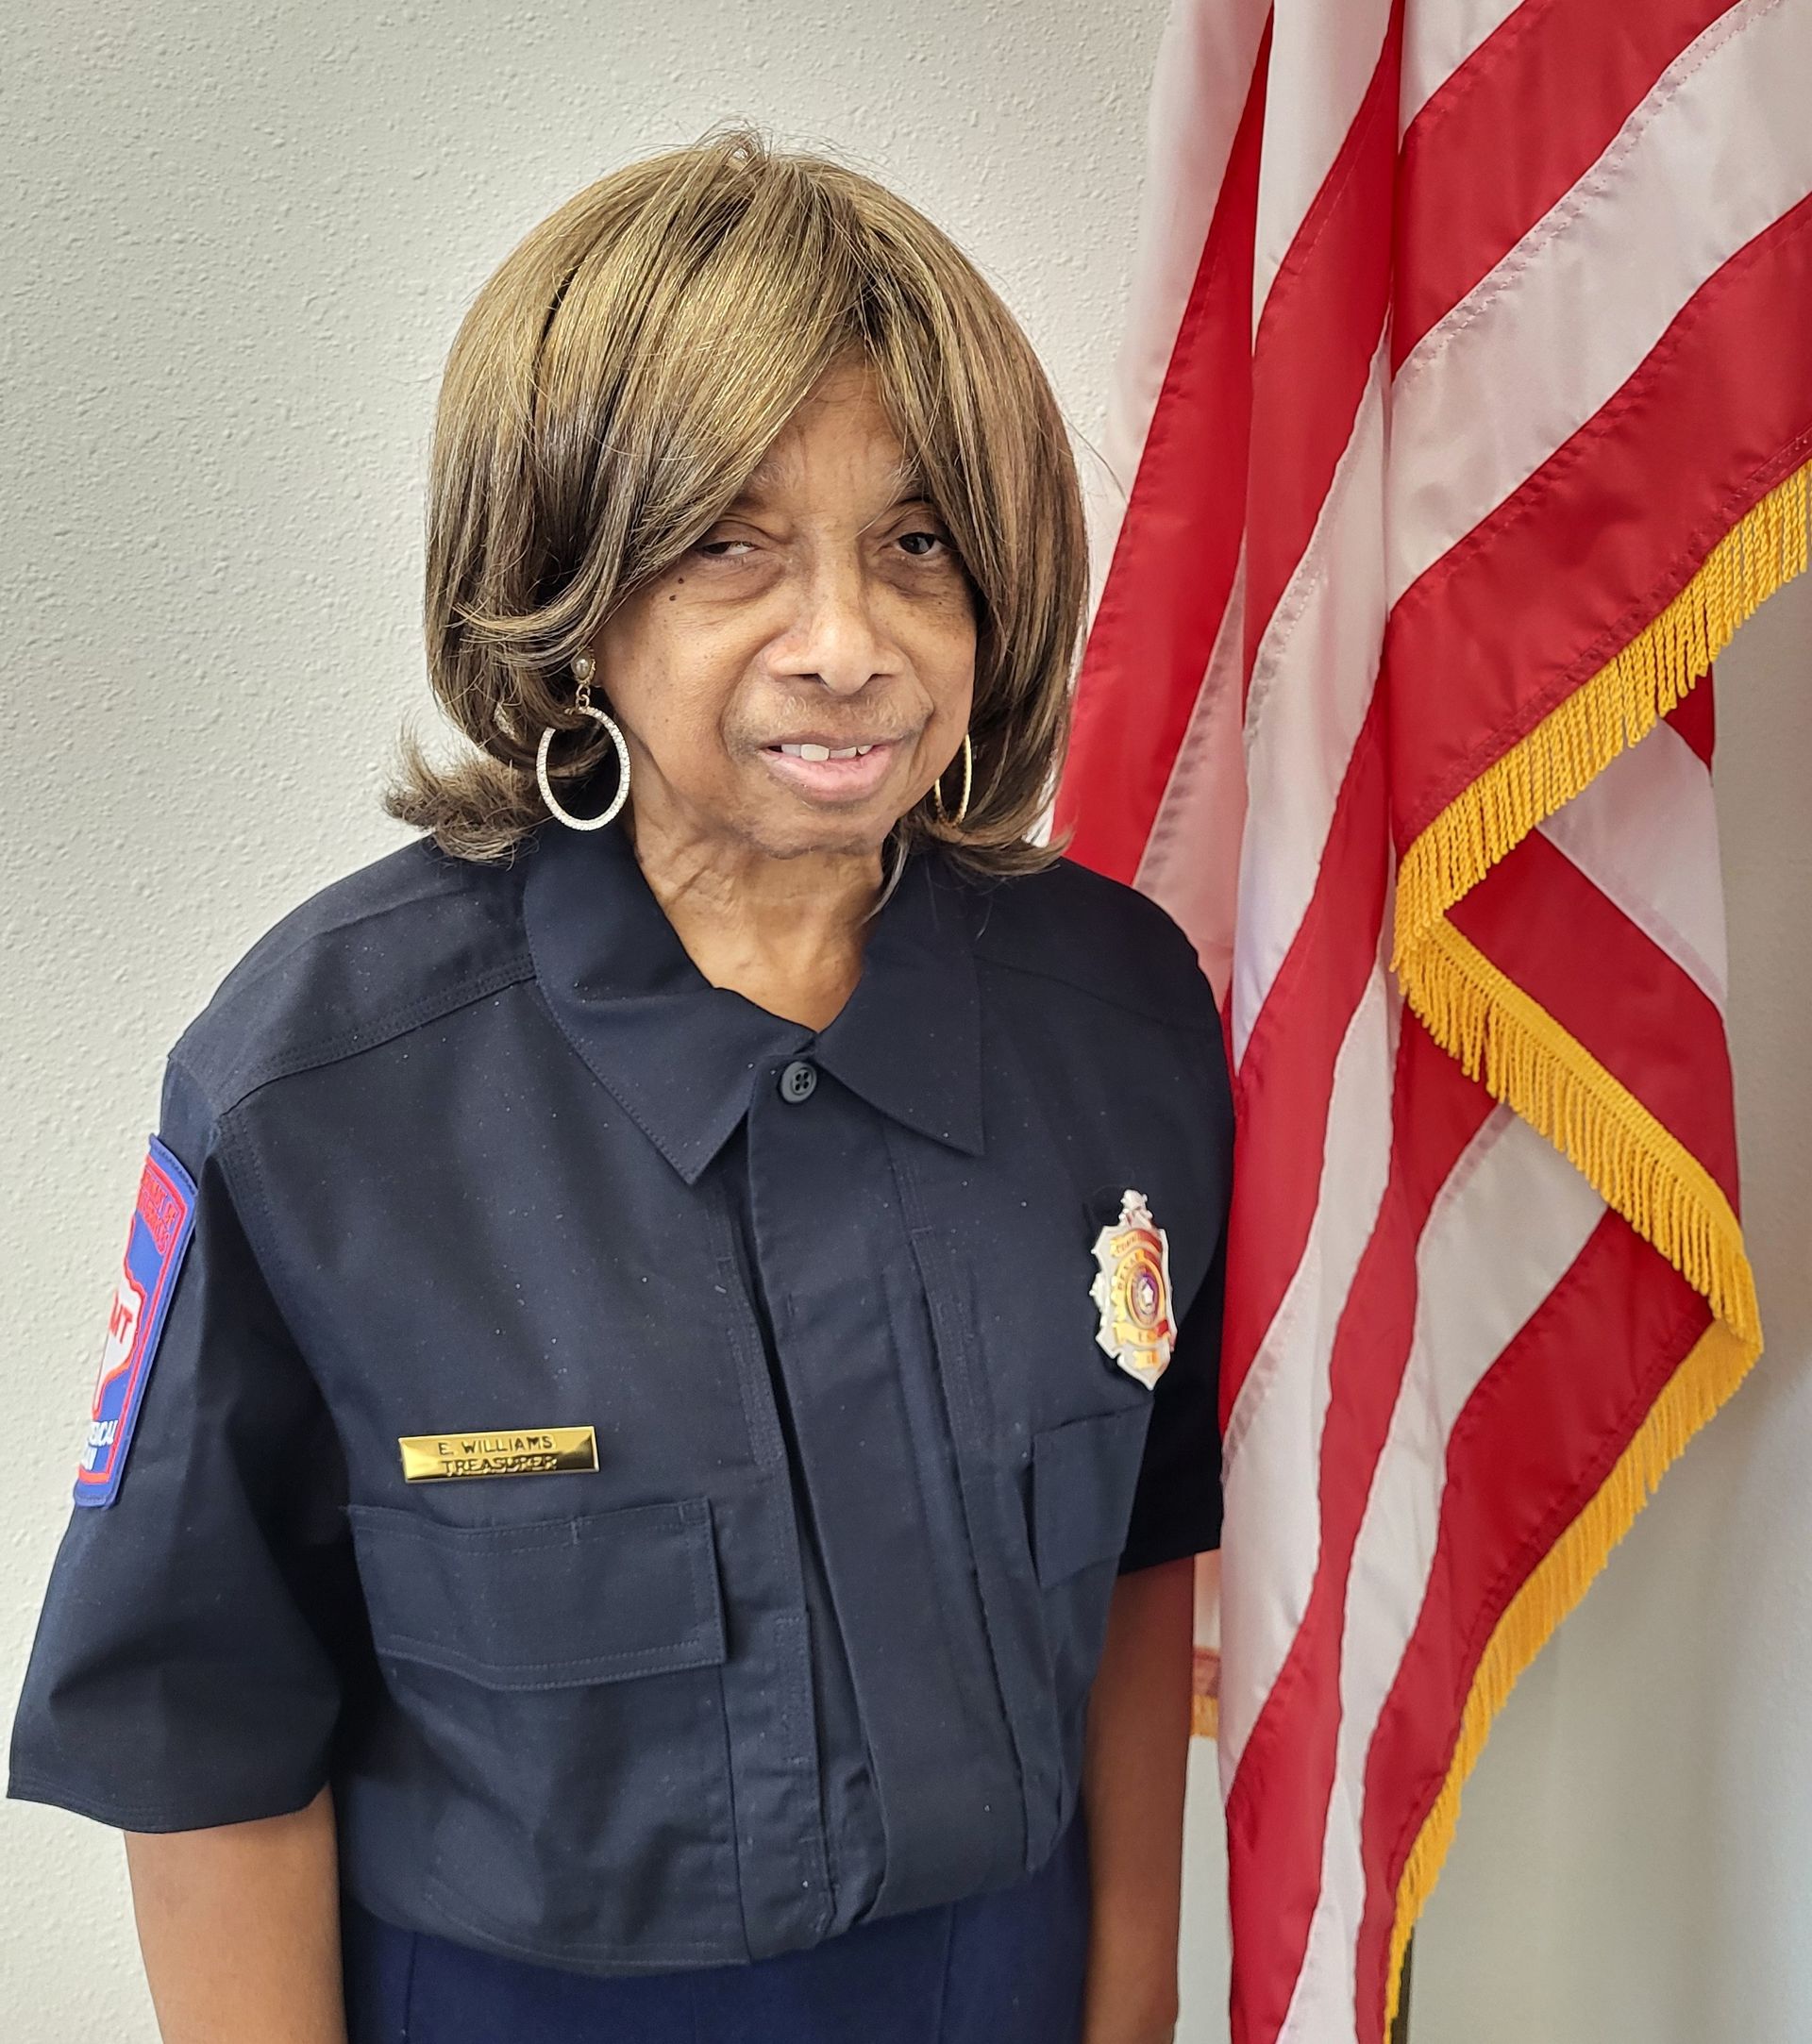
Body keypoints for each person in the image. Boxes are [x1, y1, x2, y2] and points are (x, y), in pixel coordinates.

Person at [8, 128, 1233, 2044]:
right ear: (563, 584)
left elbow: (1149, 1554)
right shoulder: (322, 1090)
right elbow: (203, 1726)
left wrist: (1134, 2009)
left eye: (914, 541)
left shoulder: (1119, 1016)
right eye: (728, 542)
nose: (845, 644)